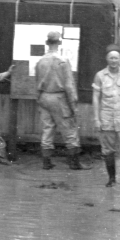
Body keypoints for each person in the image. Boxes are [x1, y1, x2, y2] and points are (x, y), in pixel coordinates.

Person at [35, 31, 90, 171]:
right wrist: (73, 106)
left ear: (47, 43)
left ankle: (46, 163)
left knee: (47, 129)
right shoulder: (63, 61)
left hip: (44, 97)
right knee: (70, 129)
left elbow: (36, 84)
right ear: (59, 43)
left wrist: (39, 98)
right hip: (59, 98)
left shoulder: (40, 61)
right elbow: (69, 87)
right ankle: (74, 163)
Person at [92, 44, 120, 188]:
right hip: (106, 117)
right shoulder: (100, 75)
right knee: (108, 150)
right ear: (107, 59)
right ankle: (112, 179)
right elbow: (95, 98)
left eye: (116, 58)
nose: (113, 61)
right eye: (111, 58)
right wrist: (96, 119)